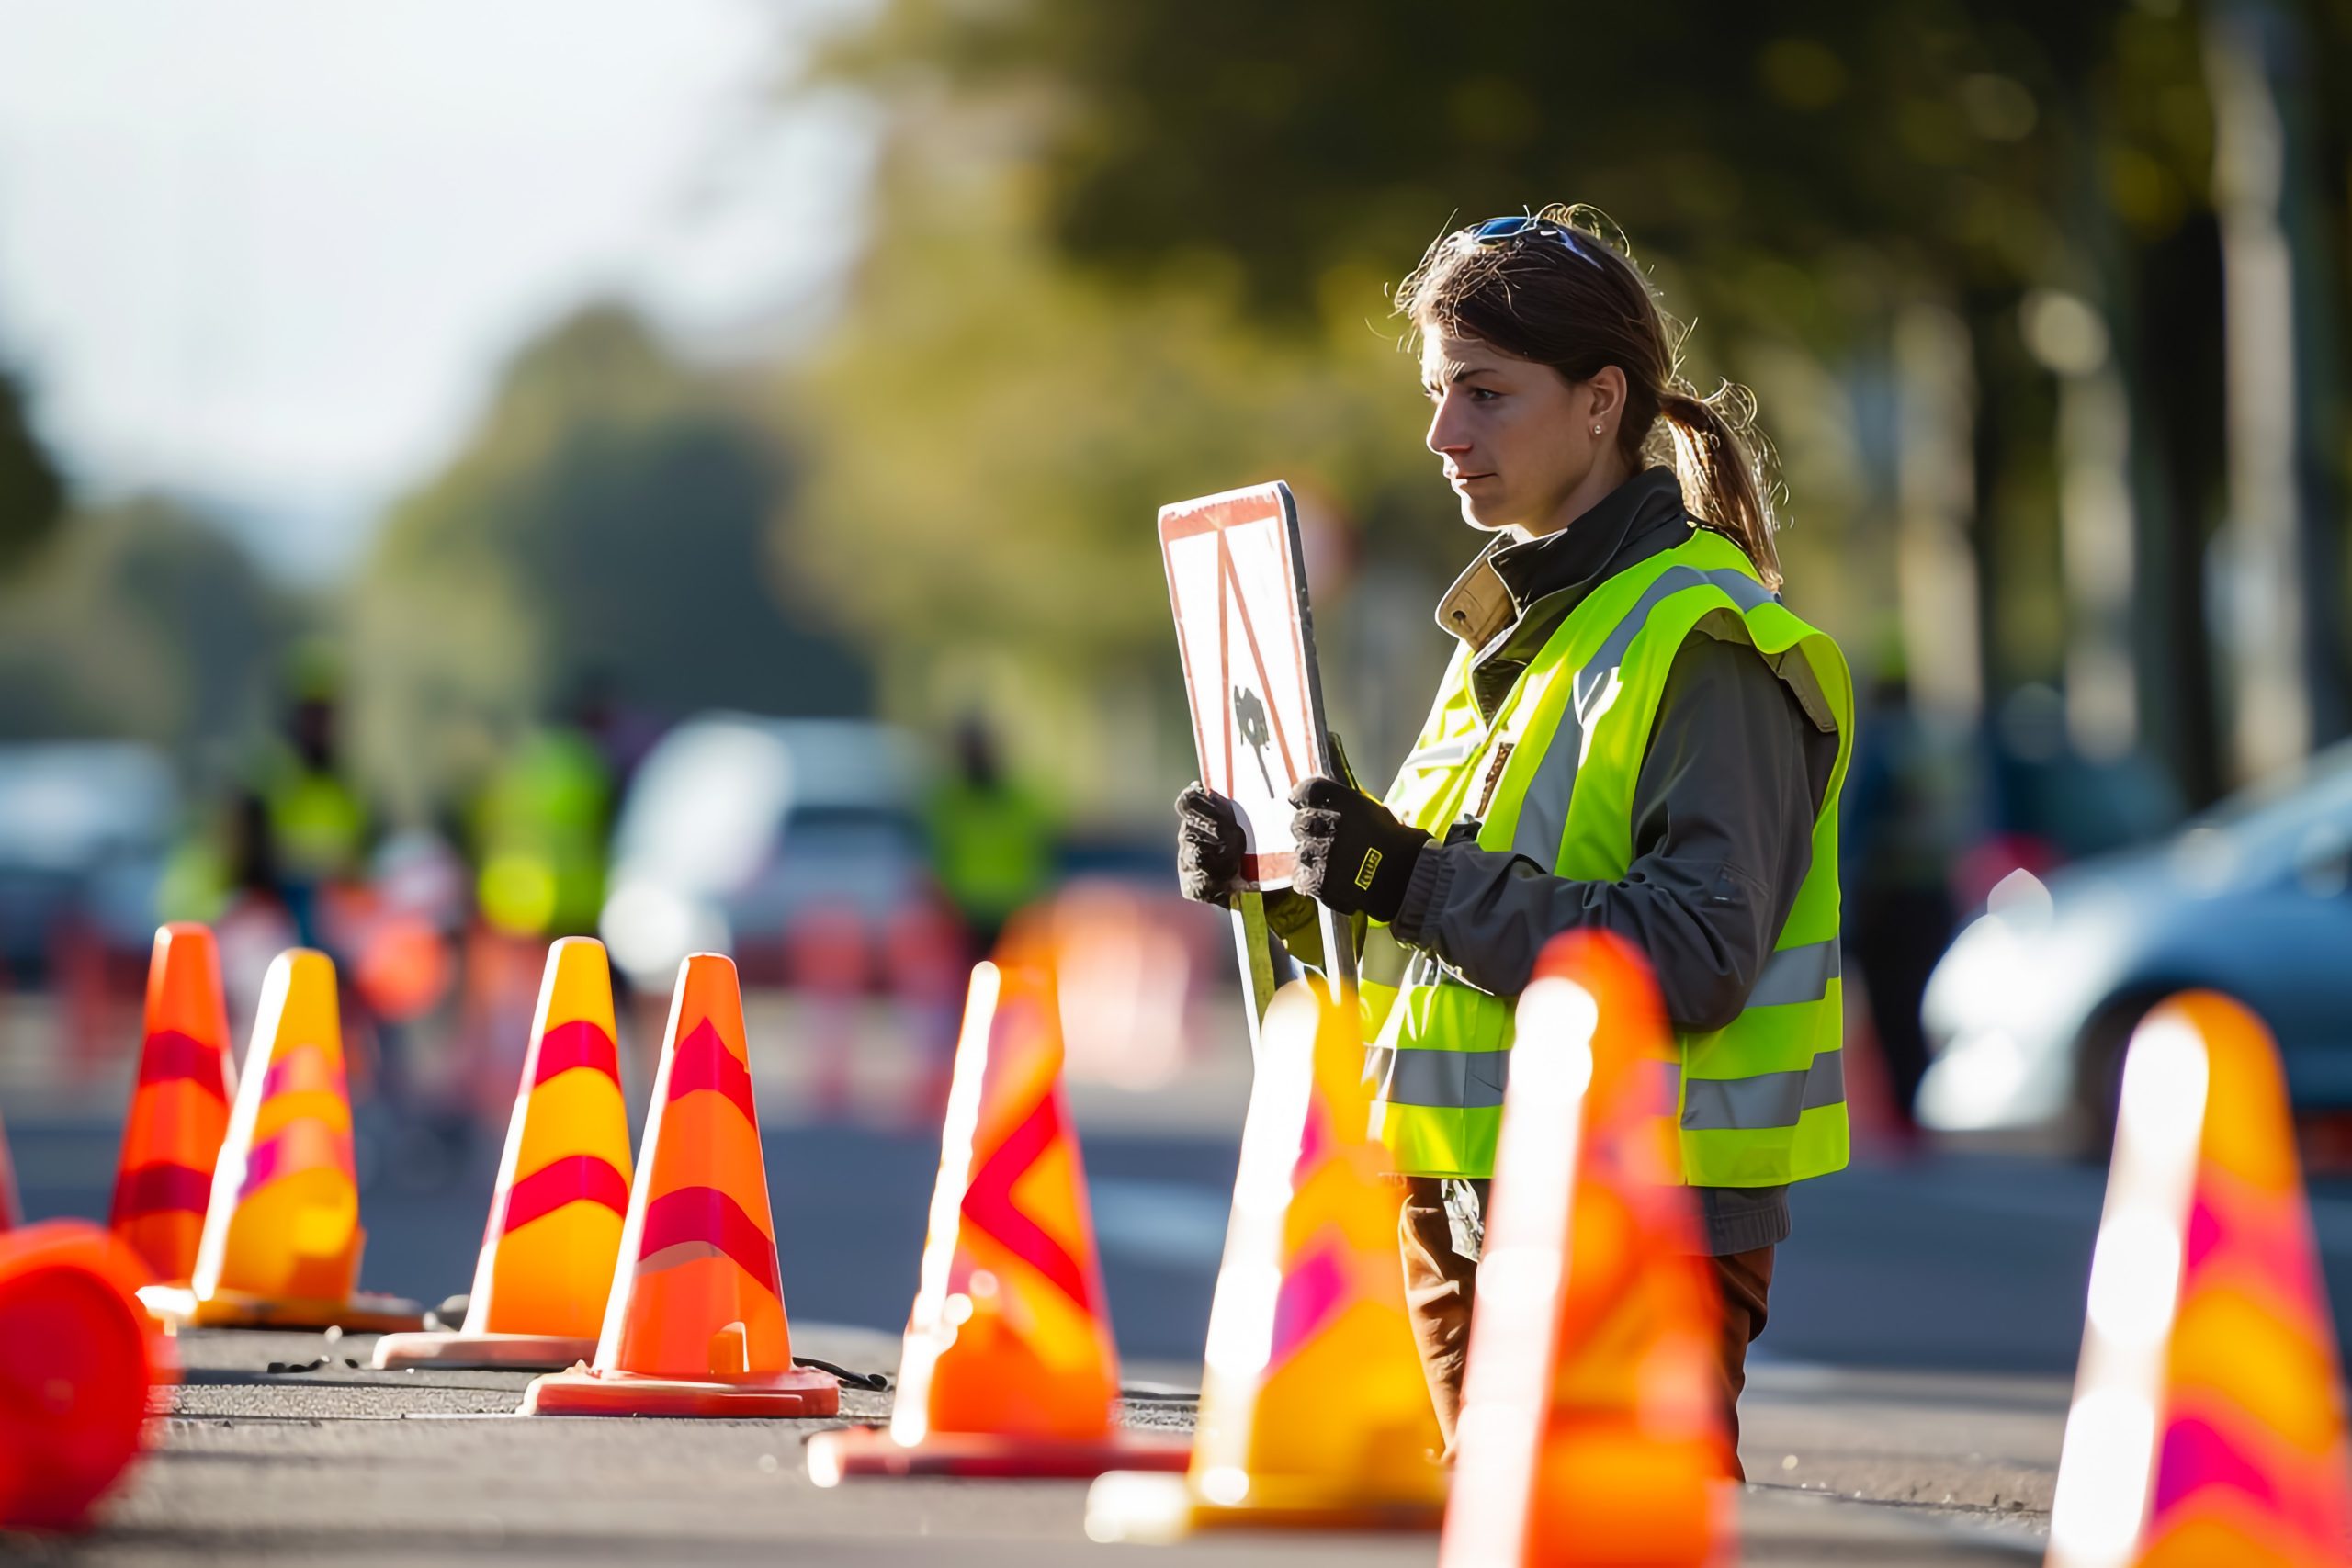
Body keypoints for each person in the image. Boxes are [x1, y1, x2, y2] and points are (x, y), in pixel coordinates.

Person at [1174, 208, 1852, 1475]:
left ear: (1602, 401)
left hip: (1634, 1219)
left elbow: (1700, 952)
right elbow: (1413, 963)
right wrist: (1275, 881)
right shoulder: (1505, 628)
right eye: (1437, 394)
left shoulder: (1706, 639)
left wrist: (1410, 877)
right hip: (1453, 1205)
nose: (1443, 436)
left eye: (1484, 394)